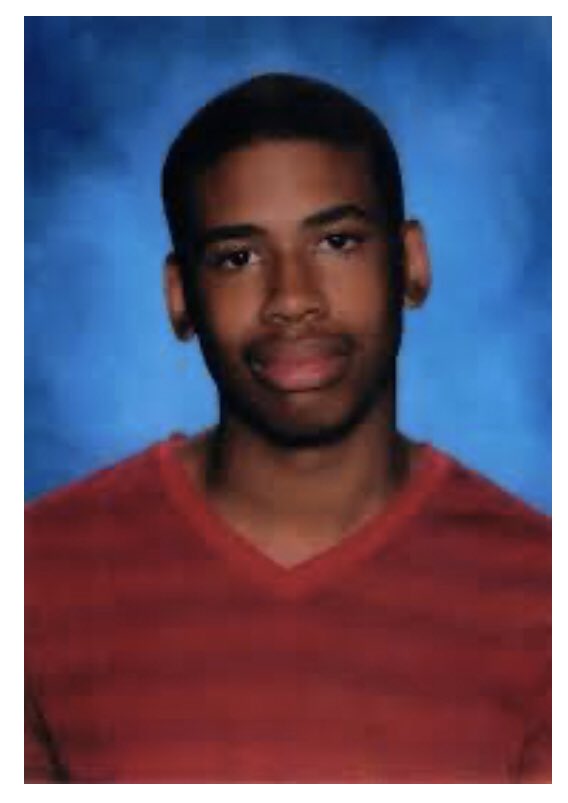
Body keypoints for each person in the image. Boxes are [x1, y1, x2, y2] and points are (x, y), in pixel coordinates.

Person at [25, 73, 551, 783]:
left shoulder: (541, 593)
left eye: (336, 241)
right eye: (237, 257)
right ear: (180, 297)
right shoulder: (34, 575)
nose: (292, 298)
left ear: (412, 263)